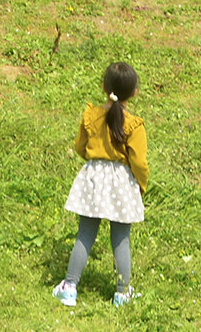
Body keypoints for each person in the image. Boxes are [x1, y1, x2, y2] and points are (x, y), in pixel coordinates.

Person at [54, 61, 149, 308]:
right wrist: (141, 184)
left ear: (104, 87)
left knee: (85, 234)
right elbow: (138, 161)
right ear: (134, 93)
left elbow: (80, 146)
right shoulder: (134, 125)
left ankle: (69, 287)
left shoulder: (91, 115)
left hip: (94, 179)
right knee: (121, 239)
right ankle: (122, 293)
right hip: (121, 183)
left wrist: (94, 161)